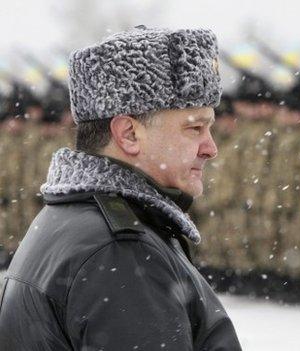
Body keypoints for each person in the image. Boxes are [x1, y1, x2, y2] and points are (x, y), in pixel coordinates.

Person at [0, 26, 242, 350]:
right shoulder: (121, 252)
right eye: (194, 128)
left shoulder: (74, 219)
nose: (210, 148)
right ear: (128, 134)